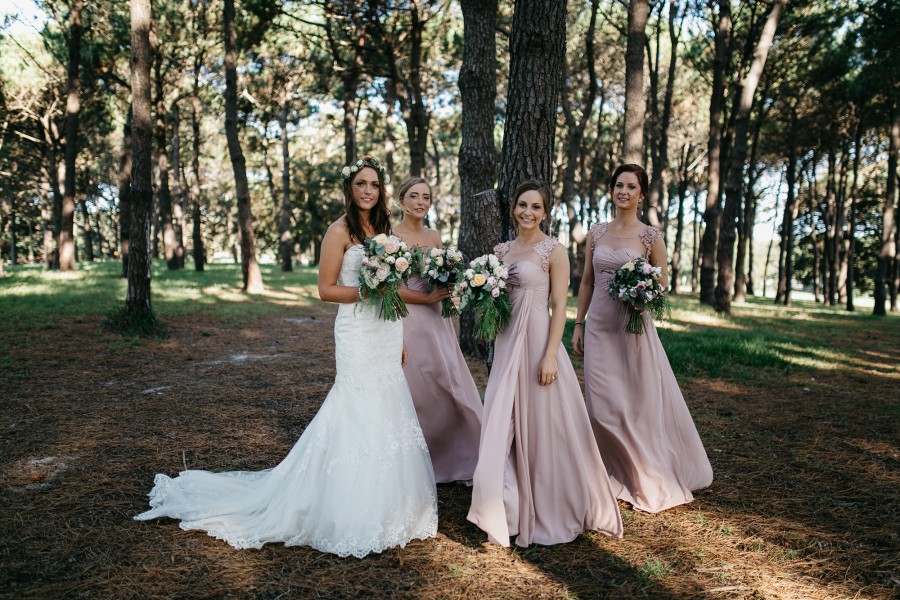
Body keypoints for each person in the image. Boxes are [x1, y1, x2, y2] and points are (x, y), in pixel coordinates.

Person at [134, 157, 438, 557]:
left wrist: (398, 331)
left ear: (382, 191)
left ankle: (391, 503)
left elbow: (393, 287)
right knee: (355, 403)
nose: (368, 191)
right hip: (356, 330)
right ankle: (345, 501)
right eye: (361, 184)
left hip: (385, 328)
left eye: (375, 185)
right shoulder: (338, 230)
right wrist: (370, 290)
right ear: (349, 189)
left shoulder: (384, 231)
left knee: (388, 402)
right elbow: (326, 290)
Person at [467, 180, 623, 547]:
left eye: (535, 207)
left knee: (540, 423)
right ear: (513, 208)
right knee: (502, 418)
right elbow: (494, 300)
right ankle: (503, 506)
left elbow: (560, 307)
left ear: (545, 213)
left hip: (538, 342)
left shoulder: (554, 251)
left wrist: (551, 354)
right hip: (507, 342)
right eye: (522, 205)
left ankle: (546, 500)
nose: (528, 212)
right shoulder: (501, 251)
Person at [572, 163, 713, 513]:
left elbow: (661, 285)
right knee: (600, 407)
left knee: (636, 405)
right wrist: (578, 323)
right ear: (612, 190)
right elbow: (587, 281)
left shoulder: (650, 236)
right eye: (618, 185)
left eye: (631, 186)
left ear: (642, 194)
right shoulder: (596, 232)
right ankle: (609, 471)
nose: (623, 191)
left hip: (632, 326)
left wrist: (643, 297)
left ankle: (643, 475)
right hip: (599, 327)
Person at [392, 177, 483, 483]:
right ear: (401, 200)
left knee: (448, 384)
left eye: (426, 197)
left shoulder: (434, 236)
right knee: (418, 388)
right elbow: (390, 288)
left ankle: (458, 452)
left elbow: (444, 275)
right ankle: (416, 460)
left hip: (437, 320)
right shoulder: (390, 236)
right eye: (414, 196)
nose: (420, 202)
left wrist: (452, 287)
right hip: (409, 318)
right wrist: (427, 298)